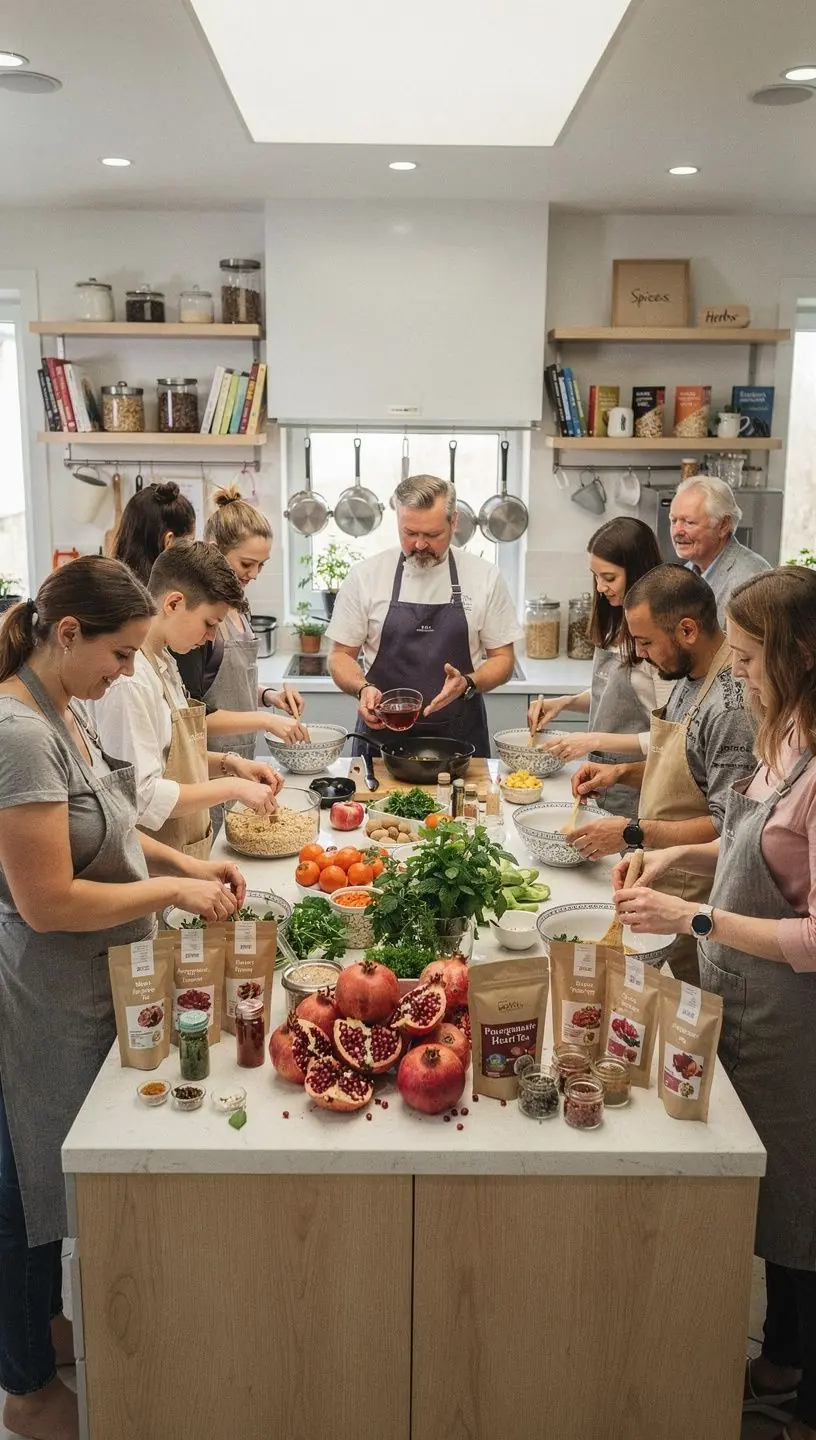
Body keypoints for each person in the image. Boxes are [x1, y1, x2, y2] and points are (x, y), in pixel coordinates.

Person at [0, 558, 245, 1440]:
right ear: (67, 634)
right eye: (120, 652)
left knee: (57, 1179)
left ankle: (54, 1333)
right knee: (27, 1186)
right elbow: (48, 900)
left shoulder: (60, 710)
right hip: (44, 999)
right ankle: (25, 1388)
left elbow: (114, 818)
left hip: (97, 984)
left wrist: (183, 862)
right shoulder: (17, 734)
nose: (129, 672)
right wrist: (170, 895)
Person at [614, 567, 816, 1440]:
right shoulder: (785, 731)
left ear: (799, 655)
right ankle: (770, 1355)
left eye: (747, 657)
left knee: (800, 1205)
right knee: (759, 1192)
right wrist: (672, 863)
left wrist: (692, 913)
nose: (735, 672)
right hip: (742, 993)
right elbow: (741, 845)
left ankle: (800, 1389)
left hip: (791, 1018)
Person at [570, 564, 756, 982]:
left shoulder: (732, 709)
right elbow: (686, 773)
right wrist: (619, 775)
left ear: (687, 631)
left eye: (646, 641)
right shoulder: (690, 676)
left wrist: (631, 832)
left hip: (692, 904)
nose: (640, 654)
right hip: (658, 886)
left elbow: (724, 826)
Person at [94, 541, 282, 861]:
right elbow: (145, 796)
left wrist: (230, 764)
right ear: (174, 603)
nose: (211, 637)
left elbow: (169, 757)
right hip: (149, 870)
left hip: (184, 853)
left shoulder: (164, 661)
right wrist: (234, 788)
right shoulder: (132, 681)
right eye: (209, 623)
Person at [327, 473, 523, 756]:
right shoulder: (366, 576)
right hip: (381, 741)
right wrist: (362, 689)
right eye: (409, 533)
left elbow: (503, 659)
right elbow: (340, 655)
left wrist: (469, 682)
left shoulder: (485, 577)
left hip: (460, 741)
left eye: (432, 535)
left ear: (453, 522)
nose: (419, 545)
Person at [526, 517, 672, 815]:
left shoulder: (657, 639)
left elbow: (669, 737)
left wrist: (592, 739)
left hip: (638, 788)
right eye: (595, 575)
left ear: (637, 572)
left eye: (609, 577)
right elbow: (610, 695)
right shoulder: (614, 622)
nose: (600, 587)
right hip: (601, 779)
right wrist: (566, 703)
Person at [174, 487, 309, 769]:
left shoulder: (237, 605)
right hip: (208, 767)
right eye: (247, 563)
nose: (255, 574)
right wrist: (267, 720)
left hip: (241, 761)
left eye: (262, 564)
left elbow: (225, 680)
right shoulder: (198, 619)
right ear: (214, 551)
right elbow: (191, 714)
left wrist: (268, 696)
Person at [669, 475, 771, 622]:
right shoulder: (685, 573)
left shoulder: (752, 578)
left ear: (723, 526)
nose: (676, 531)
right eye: (673, 521)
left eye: (689, 522)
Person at [111, 480, 196, 582]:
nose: (193, 552)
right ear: (169, 541)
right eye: (191, 541)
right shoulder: (174, 595)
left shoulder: (108, 585)